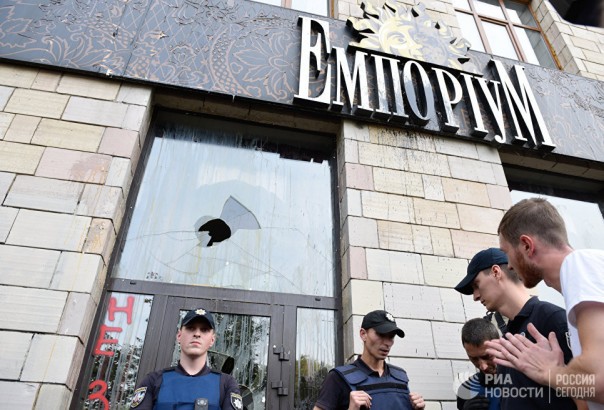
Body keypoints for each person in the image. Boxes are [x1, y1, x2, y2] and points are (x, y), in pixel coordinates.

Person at [486, 197, 604, 408]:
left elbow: (599, 380)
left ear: (526, 245)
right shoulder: (579, 276)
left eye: (506, 253)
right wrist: (562, 372)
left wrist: (549, 372)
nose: (509, 266)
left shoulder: (580, 264)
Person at [454, 247, 576, 410]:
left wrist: (554, 374)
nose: (475, 296)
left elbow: (591, 389)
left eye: (477, 285)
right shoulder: (507, 340)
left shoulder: (550, 318)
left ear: (496, 272)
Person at [129, 308, 243, 410]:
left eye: (204, 330)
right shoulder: (153, 380)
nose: (197, 334)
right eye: (190, 328)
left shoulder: (226, 383)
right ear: (179, 336)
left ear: (212, 340)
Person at [313, 310, 425, 410]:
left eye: (391, 336)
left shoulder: (400, 376)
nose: (387, 343)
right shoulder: (337, 378)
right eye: (381, 334)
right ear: (363, 334)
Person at [457, 318, 500, 410]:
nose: (483, 367)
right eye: (474, 359)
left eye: (487, 356)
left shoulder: (521, 380)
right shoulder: (466, 390)